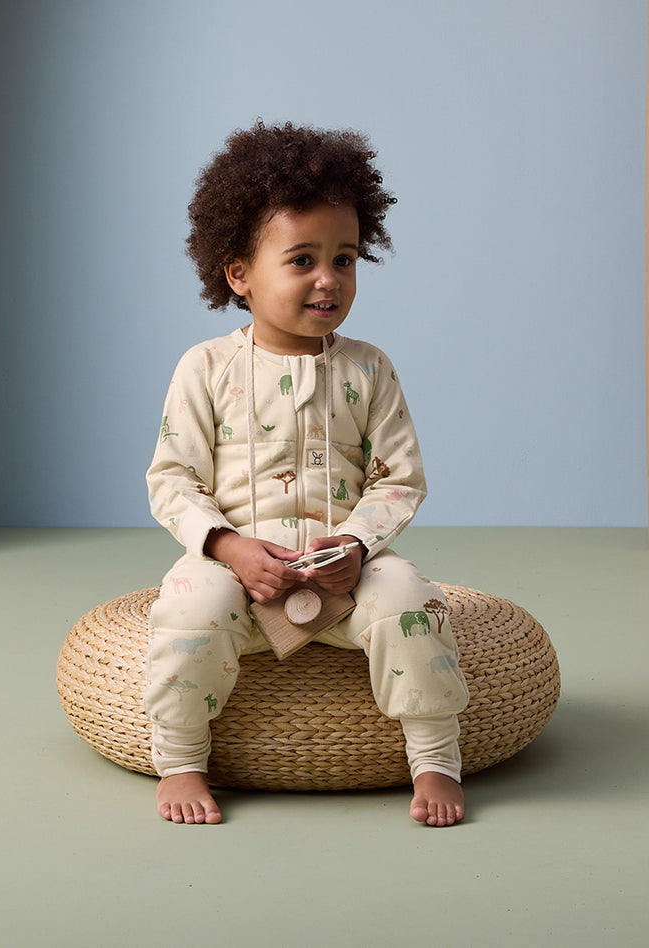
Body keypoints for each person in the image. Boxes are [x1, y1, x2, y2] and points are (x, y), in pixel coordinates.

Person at [144, 121, 469, 826]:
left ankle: (436, 759)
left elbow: (398, 477)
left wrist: (355, 548)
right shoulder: (204, 368)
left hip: (344, 570)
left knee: (412, 597)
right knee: (185, 609)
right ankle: (180, 759)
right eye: (302, 260)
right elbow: (172, 480)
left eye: (345, 258)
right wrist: (227, 548)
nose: (330, 278)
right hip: (239, 568)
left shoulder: (368, 368)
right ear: (239, 274)